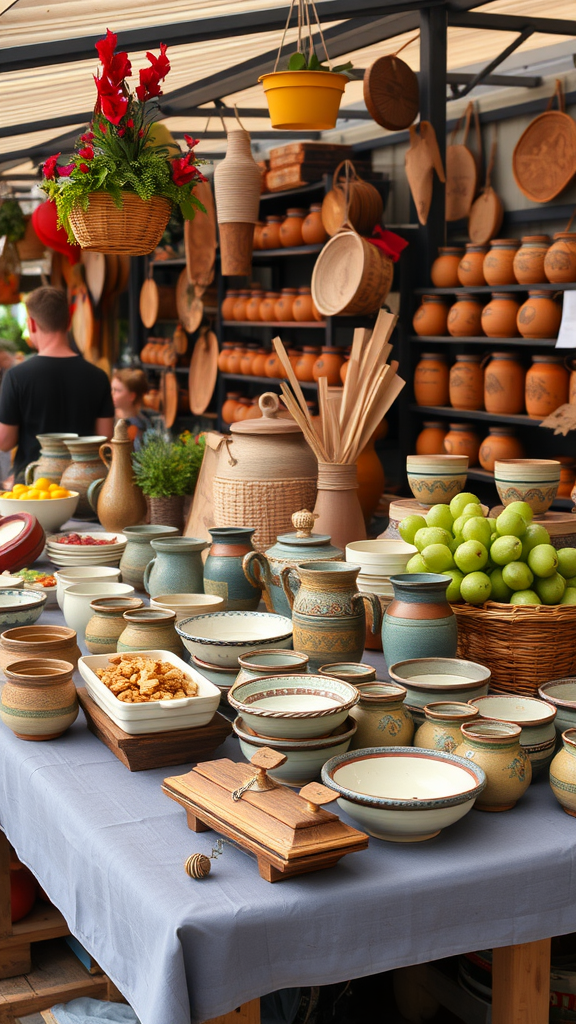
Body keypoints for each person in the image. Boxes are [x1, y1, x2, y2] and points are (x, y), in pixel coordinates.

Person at [0, 286, 114, 482]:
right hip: (83, 487)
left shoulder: (16, 377)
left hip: (33, 487)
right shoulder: (98, 377)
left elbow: (5, 441)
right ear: (68, 322)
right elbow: (105, 441)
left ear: (32, 324)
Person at [110, 368, 153, 447]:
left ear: (132, 396)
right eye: (112, 389)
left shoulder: (142, 424)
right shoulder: (108, 417)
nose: (112, 393)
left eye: (117, 390)